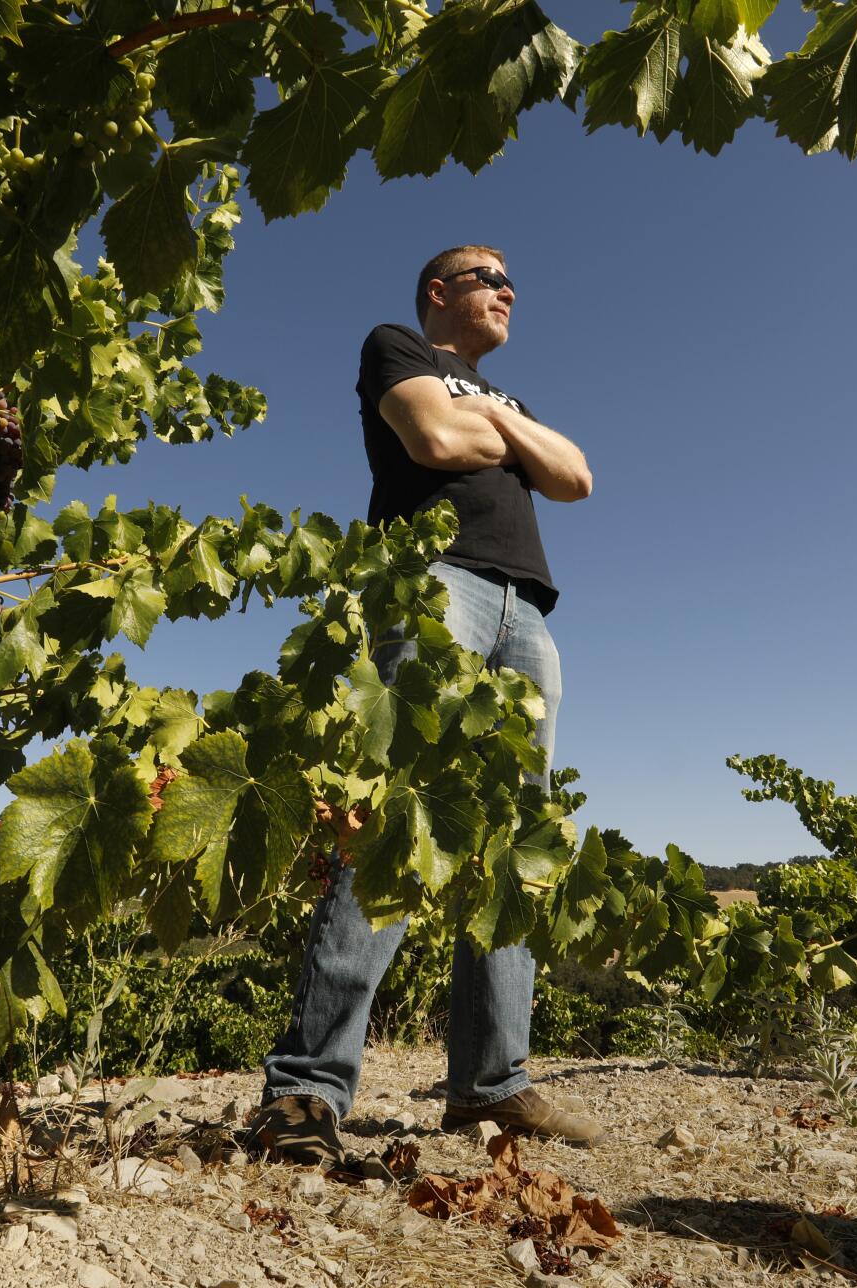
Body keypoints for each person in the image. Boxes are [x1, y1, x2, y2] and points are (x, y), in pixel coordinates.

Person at [250, 245, 602, 1167]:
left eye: (513, 279)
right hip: (432, 587)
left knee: (513, 837)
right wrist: (494, 427)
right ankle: (306, 1090)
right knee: (393, 813)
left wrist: (496, 417)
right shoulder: (395, 345)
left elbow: (576, 477)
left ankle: (493, 1084)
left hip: (527, 611)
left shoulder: (501, 397)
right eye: (488, 277)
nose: (508, 288)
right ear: (440, 293)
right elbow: (435, 443)